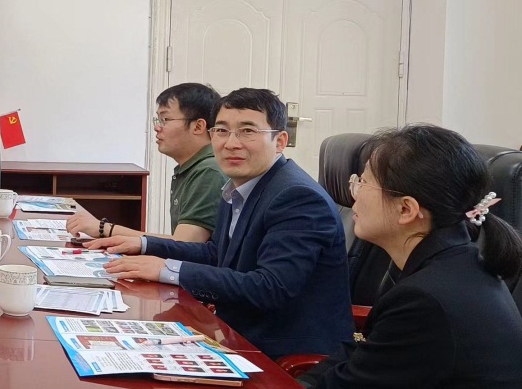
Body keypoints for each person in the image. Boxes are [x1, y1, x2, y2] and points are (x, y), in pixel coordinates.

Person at [90, 88, 352, 358]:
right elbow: (217, 254)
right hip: (235, 336)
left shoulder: (297, 197)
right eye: (222, 131)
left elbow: (270, 287)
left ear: (280, 141)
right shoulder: (239, 186)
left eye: (247, 131)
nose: (231, 143)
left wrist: (167, 269)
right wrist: (144, 244)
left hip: (282, 355)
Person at [300, 125, 522, 388]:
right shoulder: (446, 261)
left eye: (364, 182)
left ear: (406, 209)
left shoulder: (425, 300)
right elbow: (362, 348)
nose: (353, 192)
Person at [68, 83, 224, 242]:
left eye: (165, 120)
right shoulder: (191, 168)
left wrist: (104, 229)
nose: (157, 127)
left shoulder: (208, 171)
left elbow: (183, 244)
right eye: (158, 120)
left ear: (198, 126)